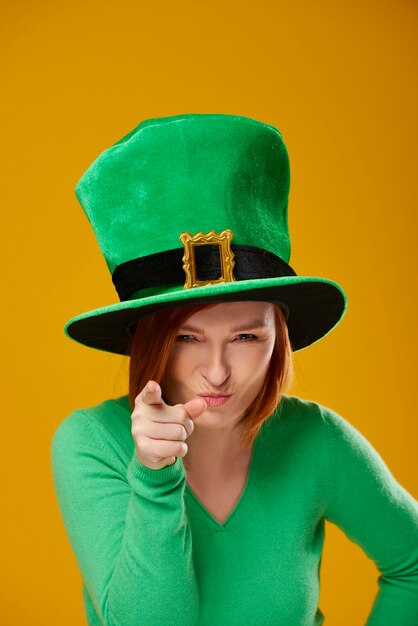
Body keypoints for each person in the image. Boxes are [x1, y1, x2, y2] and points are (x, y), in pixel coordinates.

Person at [50, 113, 418, 626]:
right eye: (185, 338)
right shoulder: (91, 442)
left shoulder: (316, 441)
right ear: (144, 340)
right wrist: (155, 479)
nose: (217, 373)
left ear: (281, 336)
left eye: (246, 336)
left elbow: (413, 563)